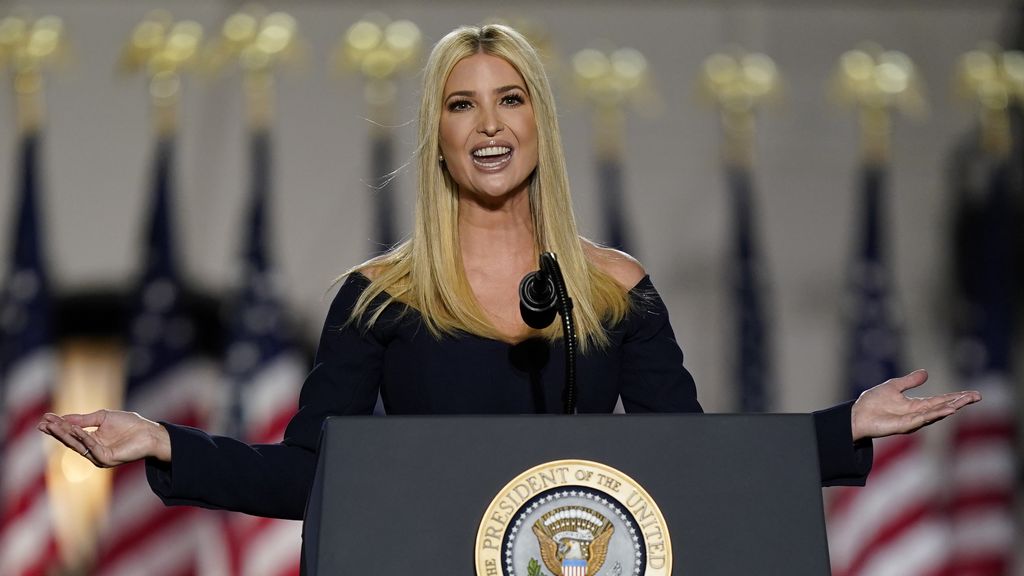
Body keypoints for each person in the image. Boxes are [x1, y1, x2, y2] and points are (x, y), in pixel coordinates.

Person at [39, 24, 980, 521]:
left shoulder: (614, 289)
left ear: (539, 124)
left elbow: (689, 462)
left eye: (509, 99)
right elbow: (309, 480)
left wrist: (840, 427)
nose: (489, 126)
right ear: (439, 139)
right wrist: (163, 441)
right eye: (462, 106)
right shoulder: (381, 297)